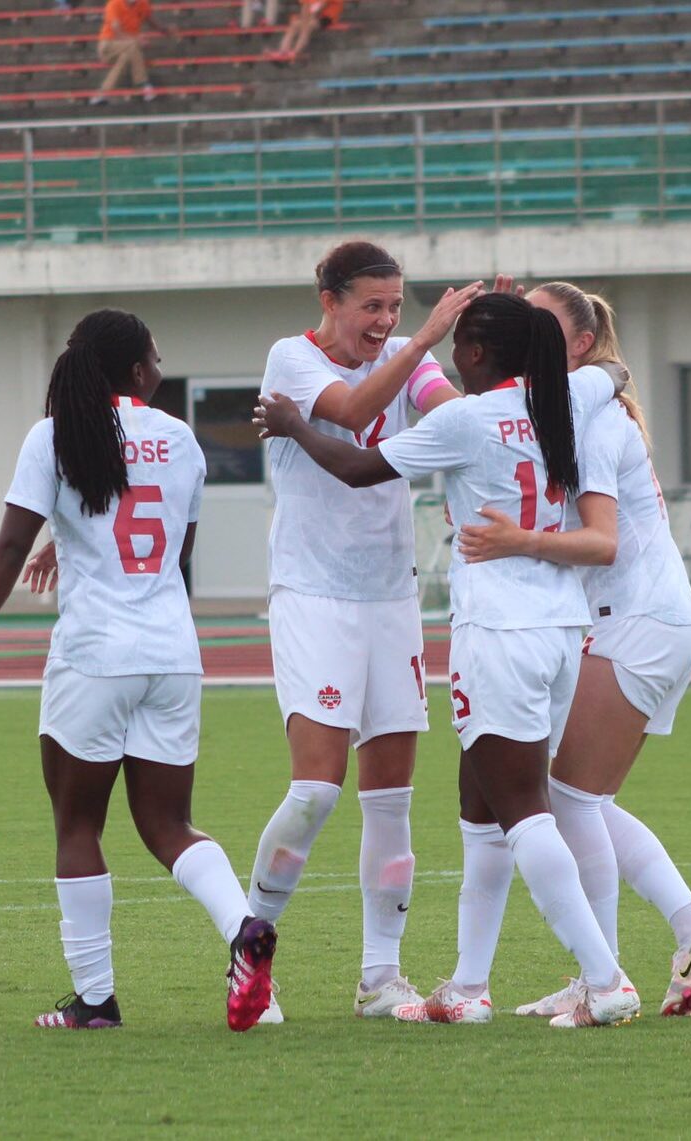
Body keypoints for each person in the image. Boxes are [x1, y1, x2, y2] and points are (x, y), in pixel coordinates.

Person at [254, 291, 643, 1029]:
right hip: (563, 629)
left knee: (524, 811)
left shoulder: (468, 419)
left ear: (470, 354)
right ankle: (467, 986)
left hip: (498, 630)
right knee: (482, 806)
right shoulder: (574, 394)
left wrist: (295, 427)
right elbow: (614, 373)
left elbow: (360, 466)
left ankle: (606, 977)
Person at [0, 310, 277, 1032]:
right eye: (156, 356)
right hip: (173, 652)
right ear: (138, 372)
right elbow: (173, 547)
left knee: (79, 823)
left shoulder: (52, 434)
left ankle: (96, 1001)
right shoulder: (180, 439)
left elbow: (9, 545)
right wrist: (76, 539)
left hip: (93, 654)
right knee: (168, 823)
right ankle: (243, 926)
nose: (161, 367)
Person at [460, 282, 691, 1020]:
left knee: (569, 799)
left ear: (579, 347)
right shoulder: (574, 406)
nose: (526, 336)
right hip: (643, 619)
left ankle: (604, 978)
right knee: (582, 798)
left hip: (636, 620)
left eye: (542, 325)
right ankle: (684, 931)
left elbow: (601, 541)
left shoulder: (588, 418)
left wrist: (514, 541)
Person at [240, 241, 483, 1023]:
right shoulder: (292, 356)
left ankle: (381, 974)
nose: (385, 321)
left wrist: (490, 364)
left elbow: (452, 411)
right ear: (330, 299)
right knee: (314, 790)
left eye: (396, 306)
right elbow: (346, 414)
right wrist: (421, 340)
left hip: (391, 600)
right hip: (313, 595)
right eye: (371, 306)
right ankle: (251, 949)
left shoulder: (412, 365)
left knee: (392, 801)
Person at [90, 0, 178, 103]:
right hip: (109, 45)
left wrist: (164, 30)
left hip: (128, 47)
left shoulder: (143, 4)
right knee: (133, 46)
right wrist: (136, 40)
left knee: (125, 58)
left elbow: (149, 20)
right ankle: (143, 83)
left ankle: (103, 93)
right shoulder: (114, 4)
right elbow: (117, 31)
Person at [274, 0, 342, 63]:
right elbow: (306, 7)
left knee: (307, 26)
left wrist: (307, 18)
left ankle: (296, 51)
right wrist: (304, 19)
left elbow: (321, 6)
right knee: (294, 24)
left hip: (327, 17)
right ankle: (283, 51)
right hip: (313, 15)